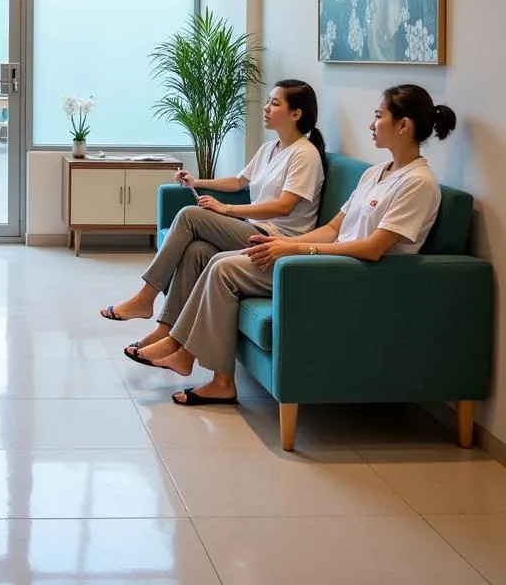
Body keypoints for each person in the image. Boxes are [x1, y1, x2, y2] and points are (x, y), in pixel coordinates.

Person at [135, 84, 456, 406]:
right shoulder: (376, 173)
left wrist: (295, 249)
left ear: (403, 125)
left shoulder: (418, 184)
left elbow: (373, 248)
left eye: (378, 116)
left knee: (223, 268)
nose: (372, 125)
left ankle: (200, 364)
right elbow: (333, 228)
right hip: (325, 262)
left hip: (354, 275)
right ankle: (192, 358)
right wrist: (283, 243)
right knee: (207, 254)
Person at [100, 80, 327, 359]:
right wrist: (197, 180)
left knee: (189, 216)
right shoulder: (270, 148)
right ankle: (166, 330)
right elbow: (238, 181)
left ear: (296, 114)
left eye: (274, 103)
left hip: (275, 242)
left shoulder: (305, 155)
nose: (266, 108)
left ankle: (146, 297)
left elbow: (284, 206)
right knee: (197, 251)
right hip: (252, 230)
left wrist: (227, 210)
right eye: (268, 101)